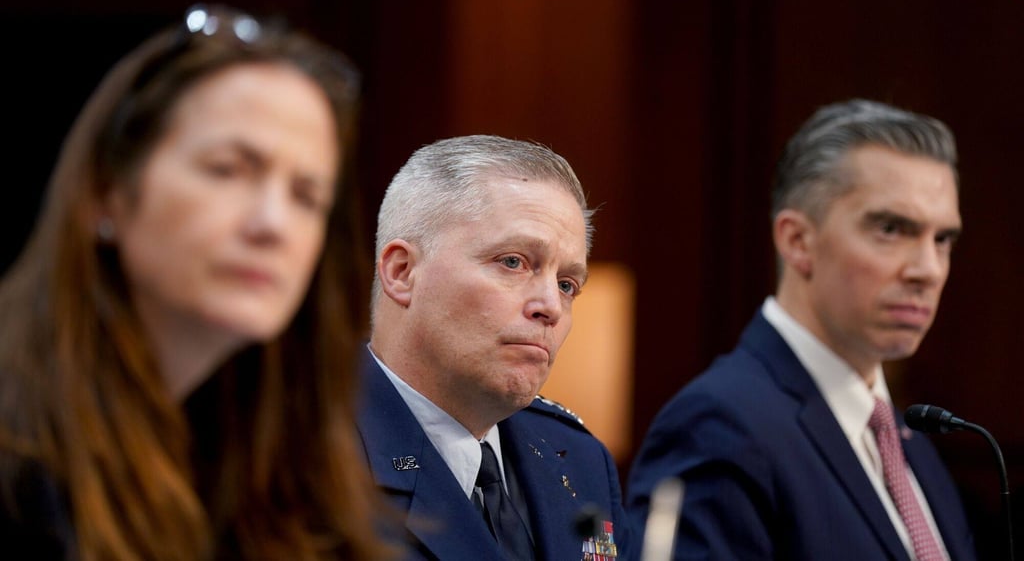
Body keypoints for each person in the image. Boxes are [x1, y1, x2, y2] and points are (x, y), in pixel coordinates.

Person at [0, 3, 391, 560]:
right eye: (228, 169)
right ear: (106, 190)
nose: (272, 224)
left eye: (307, 197)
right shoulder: (19, 470)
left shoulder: (282, 468)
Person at [626, 99, 976, 560]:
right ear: (797, 241)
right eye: (891, 228)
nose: (928, 269)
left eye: (943, 239)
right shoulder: (717, 425)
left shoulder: (913, 440)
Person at [358, 135, 633, 560]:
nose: (550, 307)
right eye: (513, 262)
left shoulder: (579, 458)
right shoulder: (310, 454)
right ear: (402, 272)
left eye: (566, 285)